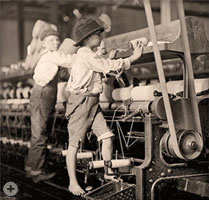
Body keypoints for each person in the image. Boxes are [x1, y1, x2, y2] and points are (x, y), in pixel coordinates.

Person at [65, 17, 143, 196]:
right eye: (97, 34)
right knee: (74, 145)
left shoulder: (89, 55)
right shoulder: (86, 54)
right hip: (81, 103)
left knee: (107, 136)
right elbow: (106, 66)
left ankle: (108, 173)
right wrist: (133, 58)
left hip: (92, 102)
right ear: (86, 39)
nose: (101, 37)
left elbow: (102, 67)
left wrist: (112, 58)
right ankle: (72, 183)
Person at [25, 28, 75, 183]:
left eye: (57, 40)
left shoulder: (47, 57)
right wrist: (87, 55)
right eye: (53, 40)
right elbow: (70, 61)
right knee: (40, 133)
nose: (57, 42)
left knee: (40, 132)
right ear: (45, 43)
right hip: (43, 95)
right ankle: (37, 172)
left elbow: (63, 74)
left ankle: (31, 167)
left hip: (43, 94)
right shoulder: (51, 55)